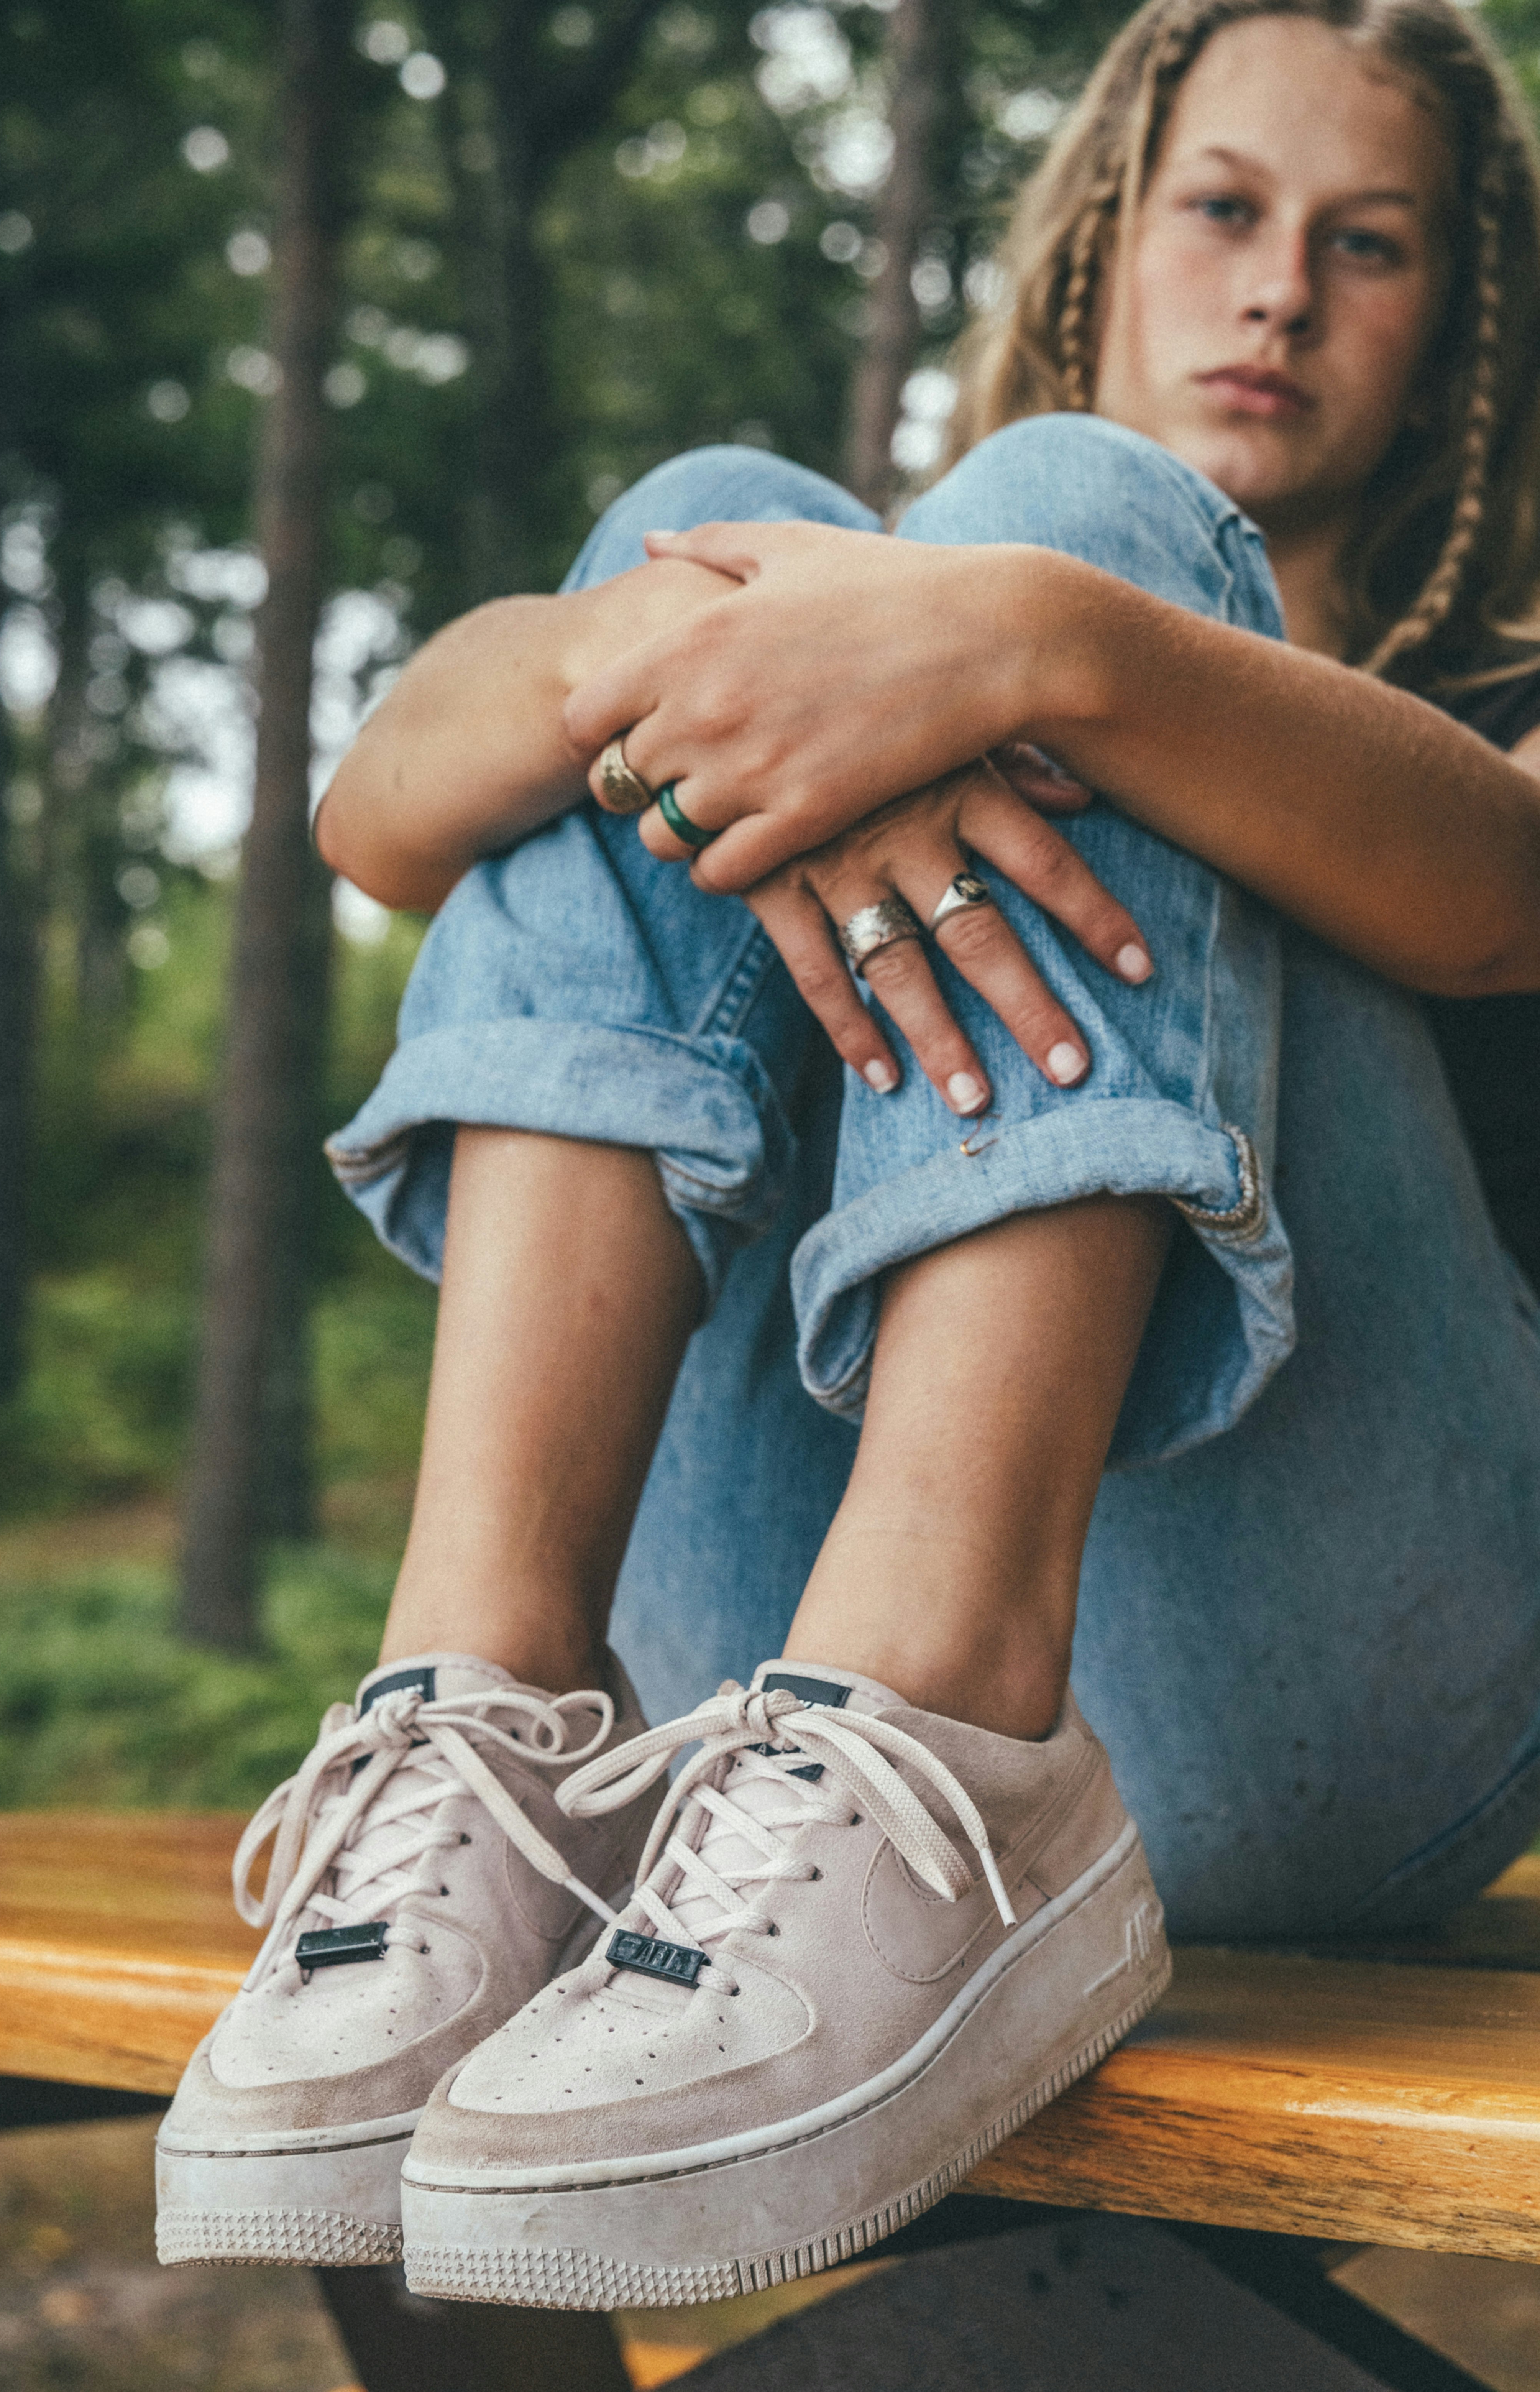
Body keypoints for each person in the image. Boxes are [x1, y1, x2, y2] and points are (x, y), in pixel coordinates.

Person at [156, 0, 1540, 2311]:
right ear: (1110, 229)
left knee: (1063, 523)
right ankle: (482, 1744)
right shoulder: (842, 627)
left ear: (1463, 317)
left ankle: (960, 1724)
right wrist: (674, 660)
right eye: (1225, 208)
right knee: (701, 554)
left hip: (1342, 1706)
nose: (1280, 288)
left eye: (1367, 243)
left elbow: (1507, 885)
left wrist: (1042, 636)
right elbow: (376, 813)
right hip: (754, 1752)